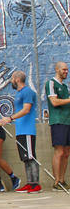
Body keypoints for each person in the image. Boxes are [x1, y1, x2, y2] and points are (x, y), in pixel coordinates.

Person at [0, 70, 40, 192]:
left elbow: (26, 109)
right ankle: (30, 182)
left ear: (17, 79)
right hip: (20, 131)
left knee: (31, 157)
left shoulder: (27, 92)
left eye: (12, 78)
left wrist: (10, 118)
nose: (11, 81)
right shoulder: (19, 93)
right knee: (25, 158)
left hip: (27, 130)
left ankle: (36, 184)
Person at [44, 61, 70, 190]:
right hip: (58, 121)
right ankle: (56, 181)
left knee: (66, 152)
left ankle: (62, 180)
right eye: (64, 69)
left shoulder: (65, 87)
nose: (66, 72)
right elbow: (54, 102)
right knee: (59, 151)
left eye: (67, 70)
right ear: (57, 69)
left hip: (68, 121)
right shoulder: (51, 83)